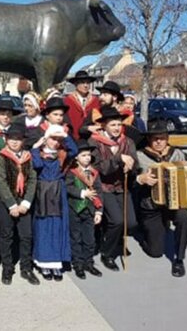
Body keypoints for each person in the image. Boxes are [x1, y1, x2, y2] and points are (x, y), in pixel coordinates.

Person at [134, 119, 187, 277]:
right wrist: (141, 179)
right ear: (149, 139)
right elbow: (130, 182)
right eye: (155, 138)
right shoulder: (139, 156)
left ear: (167, 138)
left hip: (177, 203)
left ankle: (179, 259)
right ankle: (145, 231)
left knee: (185, 218)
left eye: (162, 137)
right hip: (151, 206)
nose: (159, 141)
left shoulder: (179, 154)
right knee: (155, 252)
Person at [88, 106, 138, 272]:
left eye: (119, 125)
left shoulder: (127, 142)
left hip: (122, 187)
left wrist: (131, 166)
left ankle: (113, 240)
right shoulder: (94, 142)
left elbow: (136, 164)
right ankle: (107, 253)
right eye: (112, 125)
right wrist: (117, 159)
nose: (117, 128)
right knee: (117, 221)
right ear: (104, 126)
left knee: (130, 223)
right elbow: (98, 167)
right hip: (104, 187)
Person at [31, 124, 78, 281]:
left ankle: (56, 264)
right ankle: (44, 263)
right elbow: (36, 165)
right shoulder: (40, 153)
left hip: (58, 191)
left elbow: (75, 151)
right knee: (44, 226)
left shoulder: (62, 154)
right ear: (46, 139)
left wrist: (65, 136)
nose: (55, 142)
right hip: (44, 191)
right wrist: (36, 148)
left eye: (58, 139)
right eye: (53, 138)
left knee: (58, 226)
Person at [0, 123, 39, 285]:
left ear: (23, 141)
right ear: (6, 140)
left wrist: (26, 203)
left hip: (24, 202)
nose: (14, 142)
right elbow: (1, 181)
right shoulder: (1, 157)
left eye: (18, 139)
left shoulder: (28, 157)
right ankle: (7, 268)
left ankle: (26, 268)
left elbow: (33, 179)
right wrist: (12, 205)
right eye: (11, 139)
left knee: (26, 236)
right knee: (6, 236)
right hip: (8, 202)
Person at [65, 140, 104, 279]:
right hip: (75, 208)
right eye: (83, 155)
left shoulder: (94, 172)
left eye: (88, 155)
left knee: (90, 239)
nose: (87, 158)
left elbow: (99, 191)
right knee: (76, 238)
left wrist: (99, 211)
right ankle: (78, 264)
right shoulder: (71, 172)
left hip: (90, 210)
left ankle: (89, 263)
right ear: (76, 157)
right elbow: (68, 187)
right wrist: (82, 193)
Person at [64, 70, 100, 140]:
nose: (86, 85)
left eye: (88, 83)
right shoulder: (67, 101)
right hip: (73, 138)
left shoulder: (96, 100)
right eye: (83, 83)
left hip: (91, 138)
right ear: (76, 84)